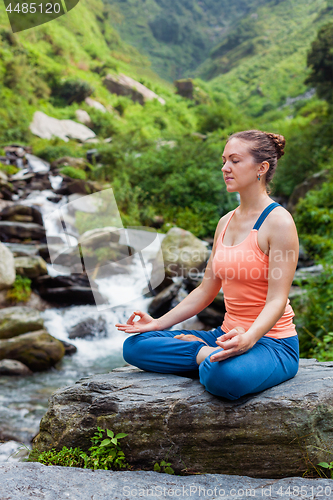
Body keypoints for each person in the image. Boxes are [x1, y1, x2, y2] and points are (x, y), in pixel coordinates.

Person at [116, 129, 299, 400]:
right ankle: (205, 353)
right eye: (224, 160)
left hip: (271, 343)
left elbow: (277, 300)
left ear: (261, 168)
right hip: (224, 336)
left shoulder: (279, 223)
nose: (225, 168)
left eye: (235, 161)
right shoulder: (225, 223)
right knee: (134, 346)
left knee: (223, 377)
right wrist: (157, 324)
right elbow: (205, 290)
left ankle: (209, 359)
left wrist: (248, 339)